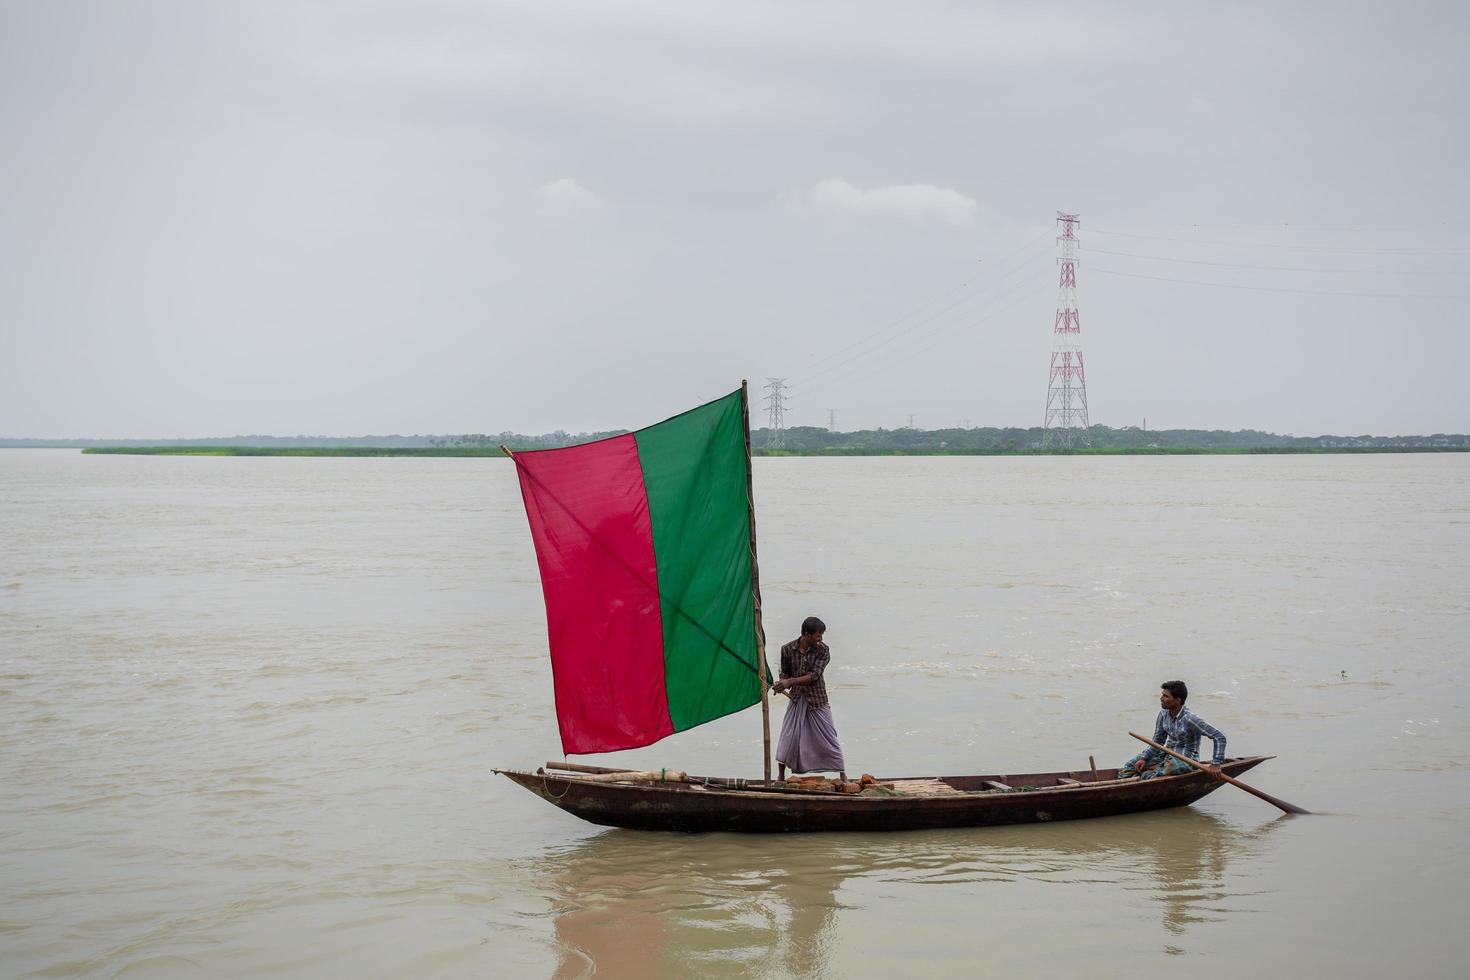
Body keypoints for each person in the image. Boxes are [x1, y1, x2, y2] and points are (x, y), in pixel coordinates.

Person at [773, 616, 846, 782]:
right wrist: (781, 683)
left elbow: (814, 676)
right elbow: (785, 672)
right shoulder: (787, 649)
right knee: (788, 737)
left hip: (817, 699)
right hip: (797, 699)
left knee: (829, 737)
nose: (820, 639)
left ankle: (843, 775)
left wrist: (790, 681)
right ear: (807, 634)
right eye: (818, 635)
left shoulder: (823, 650)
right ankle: (781, 777)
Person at [1119, 680, 1226, 780]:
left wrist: (1216, 763)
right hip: (1166, 754)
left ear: (1177, 700)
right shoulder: (1163, 714)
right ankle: (1144, 773)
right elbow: (1157, 742)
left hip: (1185, 760)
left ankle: (1147, 774)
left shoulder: (1190, 719)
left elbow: (1219, 737)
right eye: (1162, 695)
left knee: (1165, 770)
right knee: (1131, 765)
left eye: (1165, 696)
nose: (1161, 698)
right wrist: (1144, 758)